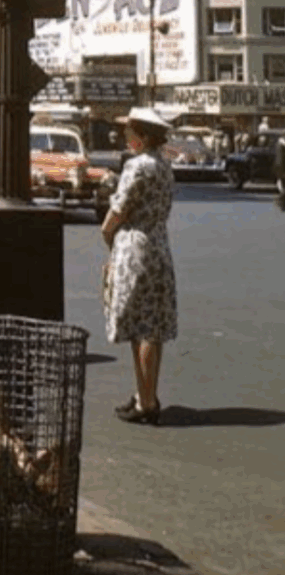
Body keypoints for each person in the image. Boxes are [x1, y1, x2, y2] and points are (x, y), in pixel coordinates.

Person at [101, 107, 178, 425]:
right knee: (153, 327)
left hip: (135, 247)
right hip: (159, 245)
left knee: (139, 327)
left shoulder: (137, 166)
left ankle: (145, 400)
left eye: (130, 131)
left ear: (143, 136)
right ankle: (147, 394)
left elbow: (117, 212)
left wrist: (107, 234)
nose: (126, 136)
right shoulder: (164, 166)